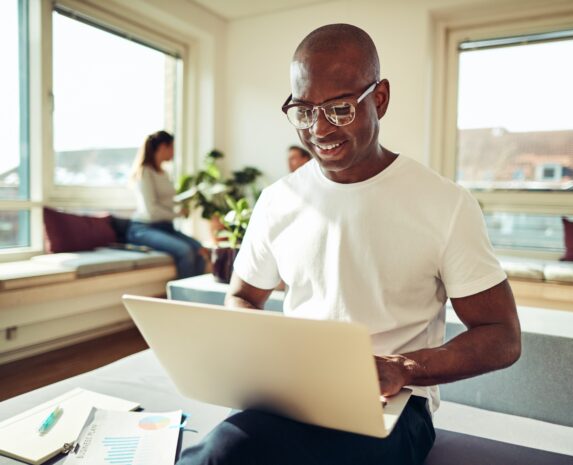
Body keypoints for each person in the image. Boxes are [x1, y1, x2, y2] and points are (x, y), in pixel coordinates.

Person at [177, 24, 521, 465]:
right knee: (221, 452)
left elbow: (502, 336)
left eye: (339, 109)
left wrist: (404, 368)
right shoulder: (278, 200)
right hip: (294, 391)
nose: (319, 129)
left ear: (379, 99)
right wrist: (266, 361)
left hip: (397, 404)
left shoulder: (445, 204)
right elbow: (243, 295)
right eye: (303, 110)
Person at [127, 130, 206, 279]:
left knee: (199, 249)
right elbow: (151, 210)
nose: (174, 152)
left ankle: (195, 296)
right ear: (164, 147)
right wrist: (178, 214)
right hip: (143, 229)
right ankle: (183, 299)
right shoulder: (144, 173)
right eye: (172, 147)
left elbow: (167, 201)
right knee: (185, 251)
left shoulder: (164, 173)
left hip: (165, 227)